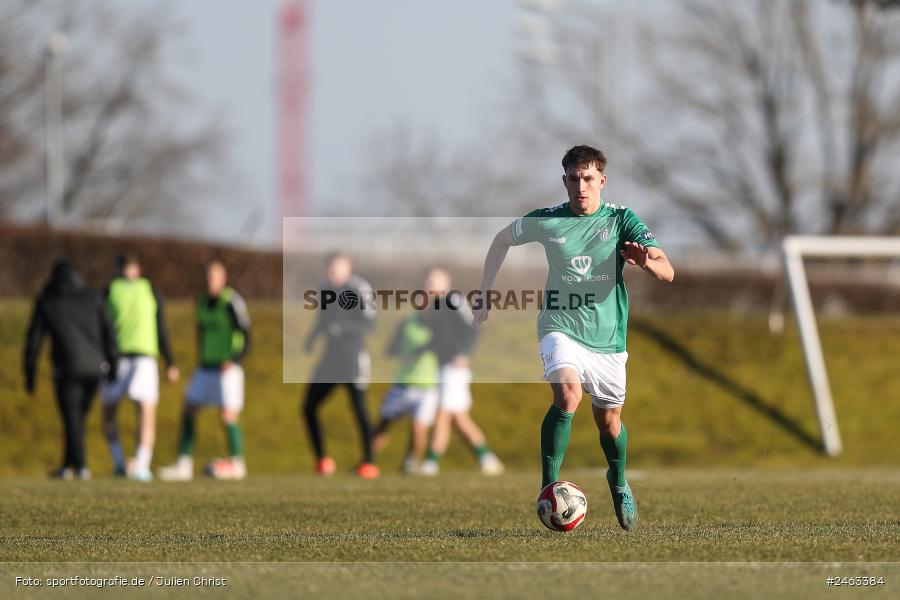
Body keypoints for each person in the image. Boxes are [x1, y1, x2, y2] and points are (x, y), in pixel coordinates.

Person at [473, 145, 675, 531]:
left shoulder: (621, 220)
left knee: (609, 423)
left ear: (602, 180)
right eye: (573, 179)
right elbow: (500, 240)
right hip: (559, 326)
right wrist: (484, 290)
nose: (580, 186)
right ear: (564, 180)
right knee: (568, 394)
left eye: (588, 178)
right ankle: (549, 486)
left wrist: (644, 260)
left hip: (608, 339)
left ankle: (618, 481)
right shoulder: (548, 220)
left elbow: (668, 271)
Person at [23, 260, 119, 480]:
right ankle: (68, 466)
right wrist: (113, 364)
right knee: (76, 419)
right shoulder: (94, 297)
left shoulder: (48, 301)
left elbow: (34, 341)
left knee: (72, 418)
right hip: (96, 368)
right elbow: (109, 332)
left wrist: (29, 373)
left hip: (67, 368)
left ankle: (81, 466)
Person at [158, 261, 251, 481]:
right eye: (208, 277)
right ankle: (184, 464)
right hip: (206, 365)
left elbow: (247, 335)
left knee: (227, 415)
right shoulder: (200, 301)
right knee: (189, 407)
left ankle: (238, 463)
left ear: (224, 279)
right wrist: (200, 358)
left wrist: (234, 360)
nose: (211, 281)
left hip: (227, 368)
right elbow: (201, 333)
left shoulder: (232, 302)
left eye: (215, 277)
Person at [416, 268, 503, 476]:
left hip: (454, 368)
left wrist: (463, 353)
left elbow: (473, 326)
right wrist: (419, 350)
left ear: (446, 283)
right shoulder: (432, 308)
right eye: (427, 281)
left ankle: (431, 463)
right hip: (443, 366)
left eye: (433, 281)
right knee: (459, 418)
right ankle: (487, 458)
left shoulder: (453, 299)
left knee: (443, 414)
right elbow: (440, 339)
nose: (429, 285)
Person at [101, 253, 179, 481]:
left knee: (135, 411)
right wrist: (171, 361)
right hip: (124, 358)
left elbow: (160, 326)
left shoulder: (140, 289)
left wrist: (170, 361)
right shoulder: (117, 289)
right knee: (124, 412)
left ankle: (136, 465)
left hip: (135, 357)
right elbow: (160, 327)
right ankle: (127, 464)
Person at [302, 253, 379, 478]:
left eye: (336, 267)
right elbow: (323, 319)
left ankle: (369, 463)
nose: (332, 271)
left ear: (348, 268)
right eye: (329, 267)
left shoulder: (358, 288)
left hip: (352, 357)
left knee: (359, 409)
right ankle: (322, 460)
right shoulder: (325, 288)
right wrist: (312, 337)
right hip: (330, 359)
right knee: (308, 407)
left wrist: (343, 328)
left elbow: (370, 322)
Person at [371, 313, 439, 474]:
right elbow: (391, 349)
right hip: (403, 383)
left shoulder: (439, 324)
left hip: (427, 386)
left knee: (418, 429)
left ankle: (411, 463)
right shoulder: (407, 322)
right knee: (383, 425)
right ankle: (368, 460)